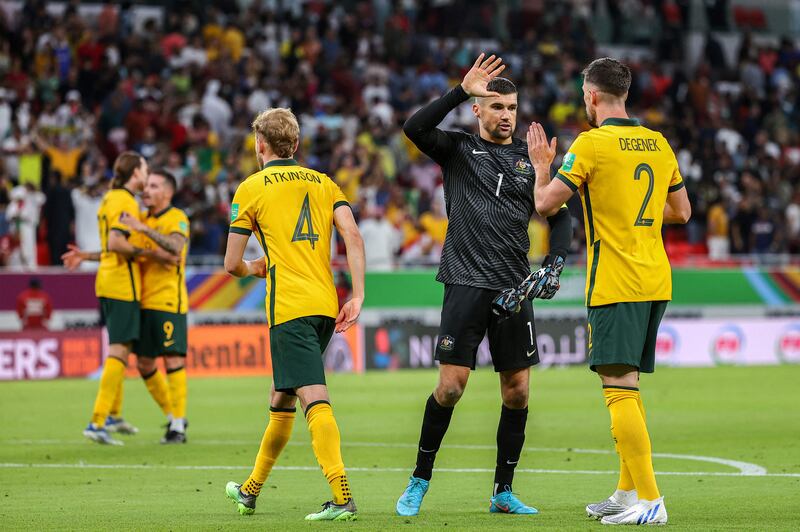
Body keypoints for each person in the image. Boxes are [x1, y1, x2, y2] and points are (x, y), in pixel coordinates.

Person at [395, 54, 573, 517]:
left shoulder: (529, 160)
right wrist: (459, 90)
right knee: (451, 387)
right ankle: (418, 480)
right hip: (465, 282)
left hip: (513, 288)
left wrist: (554, 263)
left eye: (512, 108)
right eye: (497, 107)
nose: (506, 115)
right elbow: (413, 128)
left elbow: (560, 217)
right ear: (478, 110)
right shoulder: (456, 149)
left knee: (517, 391)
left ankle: (503, 492)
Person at [523, 57, 691, 526]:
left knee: (618, 388)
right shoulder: (658, 143)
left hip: (616, 281)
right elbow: (682, 212)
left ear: (592, 97)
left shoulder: (592, 144)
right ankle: (626, 490)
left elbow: (545, 203)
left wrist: (542, 167)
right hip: (656, 276)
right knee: (629, 386)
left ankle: (651, 501)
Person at [223, 107, 365, 521]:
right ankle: (250, 490)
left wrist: (255, 267)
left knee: (312, 397)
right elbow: (352, 234)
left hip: (288, 308)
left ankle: (342, 497)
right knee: (280, 395)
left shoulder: (250, 188)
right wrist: (357, 294)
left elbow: (232, 265)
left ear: (259, 144)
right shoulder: (323, 183)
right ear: (296, 145)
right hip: (324, 305)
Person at [62, 151, 171, 445]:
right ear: (135, 172)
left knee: (121, 350)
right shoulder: (125, 201)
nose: (147, 175)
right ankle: (97, 421)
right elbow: (116, 243)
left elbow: (109, 246)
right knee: (119, 351)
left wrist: (85, 255)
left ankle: (113, 414)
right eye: (145, 169)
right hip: (123, 285)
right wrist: (147, 253)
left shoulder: (110, 199)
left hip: (109, 281)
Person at [118, 170, 190, 444]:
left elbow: (175, 248)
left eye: (153, 186)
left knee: (173, 360)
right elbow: (128, 250)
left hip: (168, 301)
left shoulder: (177, 218)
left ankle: (178, 428)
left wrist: (143, 230)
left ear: (168, 192)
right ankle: (175, 416)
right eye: (145, 185)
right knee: (144, 363)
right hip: (142, 300)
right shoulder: (142, 219)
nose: (146, 190)